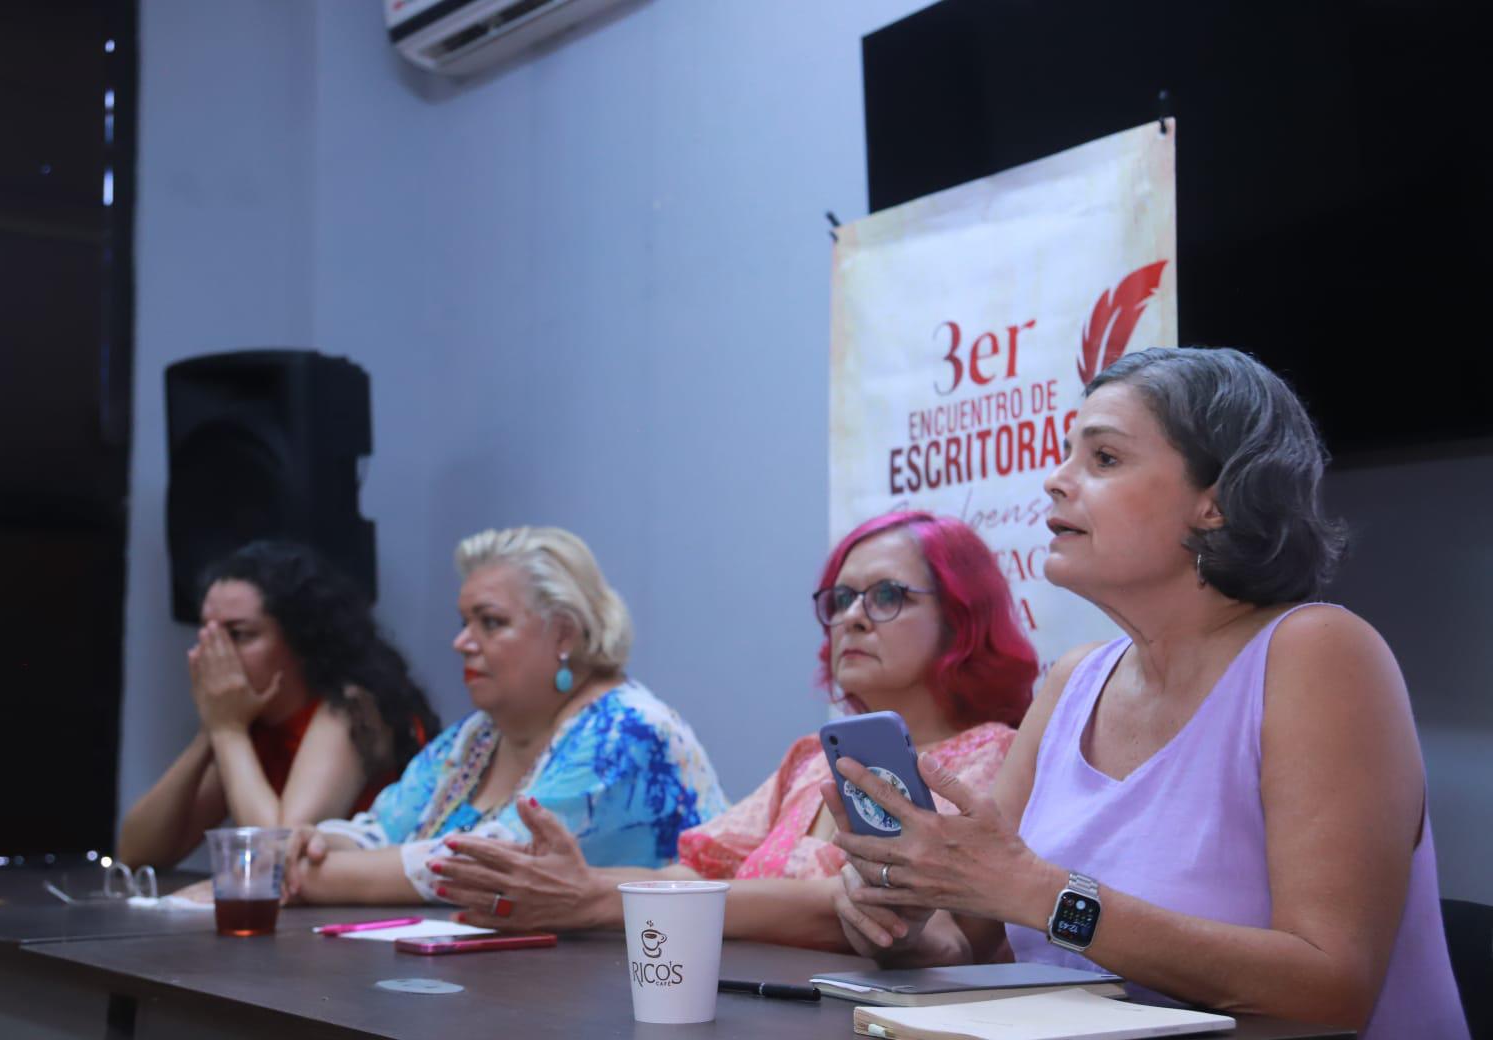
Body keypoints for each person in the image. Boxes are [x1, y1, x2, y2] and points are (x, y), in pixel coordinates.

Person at [828, 348, 1469, 1038]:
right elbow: (975, 938)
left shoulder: (1317, 653)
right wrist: (907, 927)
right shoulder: (1075, 680)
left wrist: (1047, 895)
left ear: (1215, 502)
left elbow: (1331, 989)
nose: (1055, 482)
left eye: (1104, 459)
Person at [425, 511, 1038, 951]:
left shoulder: (993, 757)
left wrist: (595, 901)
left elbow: (889, 919)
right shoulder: (811, 760)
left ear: (962, 618)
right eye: (841, 599)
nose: (851, 619)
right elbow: (692, 875)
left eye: (884, 596)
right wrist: (570, 884)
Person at [285, 525, 728, 904]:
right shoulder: (478, 735)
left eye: (490, 622)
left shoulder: (626, 730)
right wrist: (319, 843)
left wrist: (307, 874)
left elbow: (488, 869)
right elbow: (384, 830)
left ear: (564, 634)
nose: (463, 642)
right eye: (464, 623)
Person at [117, 541, 441, 869]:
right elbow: (137, 854)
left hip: (376, 911)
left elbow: (276, 856)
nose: (215, 653)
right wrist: (210, 734)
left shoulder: (353, 706)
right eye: (207, 634)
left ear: (301, 640)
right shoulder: (248, 719)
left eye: (239, 634)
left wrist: (227, 731)